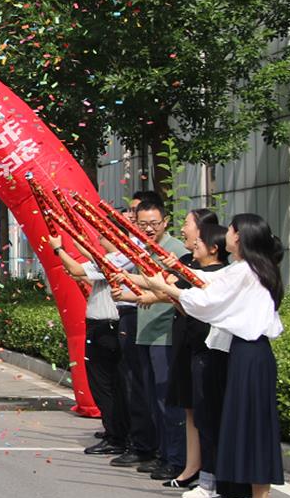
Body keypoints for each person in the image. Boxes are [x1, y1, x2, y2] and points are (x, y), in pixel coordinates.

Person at [138, 213, 285, 498]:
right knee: (248, 425)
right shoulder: (247, 268)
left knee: (251, 426)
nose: (226, 233)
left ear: (239, 237)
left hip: (249, 354)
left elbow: (208, 300)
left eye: (230, 229)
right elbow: (208, 281)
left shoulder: (246, 270)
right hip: (248, 353)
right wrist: (170, 273)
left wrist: (168, 288)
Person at [118, 199, 188, 480]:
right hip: (145, 331)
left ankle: (176, 458)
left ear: (165, 222)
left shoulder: (175, 252)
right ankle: (163, 453)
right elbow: (143, 288)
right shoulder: (143, 251)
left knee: (166, 400)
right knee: (151, 399)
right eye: (142, 224)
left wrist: (148, 296)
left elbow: (181, 293)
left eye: (153, 223)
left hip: (166, 334)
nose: (148, 229)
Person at [48, 229, 130, 455]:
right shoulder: (114, 259)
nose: (99, 239)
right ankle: (114, 430)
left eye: (103, 235)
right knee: (109, 384)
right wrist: (75, 242)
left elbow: (78, 267)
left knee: (104, 384)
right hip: (105, 327)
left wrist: (58, 249)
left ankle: (116, 436)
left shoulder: (116, 260)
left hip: (106, 328)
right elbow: (88, 267)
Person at [161, 208, 221, 491]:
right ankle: (192, 467)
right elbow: (175, 296)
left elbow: (187, 298)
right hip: (187, 340)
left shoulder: (221, 273)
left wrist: (164, 286)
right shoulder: (186, 262)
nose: (183, 229)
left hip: (206, 344)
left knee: (204, 410)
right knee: (190, 407)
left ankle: (209, 474)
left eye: (186, 223)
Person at [110, 192, 163, 469]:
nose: (133, 218)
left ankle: (152, 448)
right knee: (139, 387)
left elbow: (161, 289)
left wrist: (131, 292)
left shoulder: (167, 251)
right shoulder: (139, 248)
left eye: (147, 220)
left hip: (158, 328)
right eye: (137, 218)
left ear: (164, 221)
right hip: (141, 322)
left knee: (151, 391)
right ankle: (145, 445)